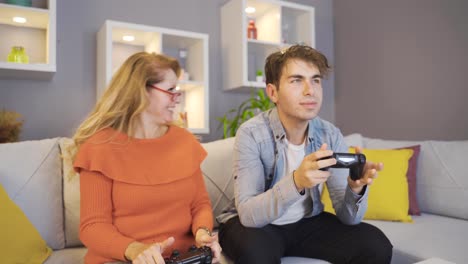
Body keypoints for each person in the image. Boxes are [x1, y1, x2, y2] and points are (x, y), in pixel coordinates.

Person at [217, 44, 392, 264]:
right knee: (258, 256)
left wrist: (356, 189)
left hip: (306, 221)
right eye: (297, 80)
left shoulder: (329, 133)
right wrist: (296, 182)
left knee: (376, 246)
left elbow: (349, 219)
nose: (310, 90)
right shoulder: (251, 134)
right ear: (273, 92)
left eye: (316, 80)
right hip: (257, 225)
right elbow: (249, 216)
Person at [72, 52, 221, 264]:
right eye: (170, 91)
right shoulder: (99, 148)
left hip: (185, 258)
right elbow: (93, 226)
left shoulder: (185, 141)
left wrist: (203, 234)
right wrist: (135, 251)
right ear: (140, 92)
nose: (176, 99)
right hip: (122, 259)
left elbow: (200, 205)